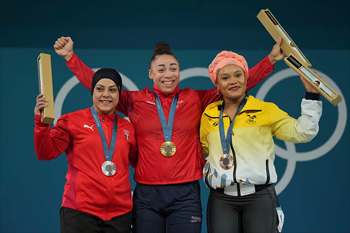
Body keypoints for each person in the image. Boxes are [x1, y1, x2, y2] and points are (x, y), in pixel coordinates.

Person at [53, 36, 285, 233]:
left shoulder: (196, 99)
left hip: (185, 193)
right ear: (151, 73)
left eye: (173, 68)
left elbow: (238, 84)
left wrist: (271, 60)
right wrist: (70, 58)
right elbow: (96, 84)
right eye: (161, 69)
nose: (168, 74)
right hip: (147, 194)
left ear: (179, 72)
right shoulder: (134, 101)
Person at [200, 51, 322, 233]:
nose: (233, 81)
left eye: (238, 75)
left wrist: (312, 97)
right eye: (225, 77)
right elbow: (203, 151)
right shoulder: (208, 114)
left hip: (259, 197)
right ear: (216, 84)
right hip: (221, 200)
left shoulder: (265, 110)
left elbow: (303, 133)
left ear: (246, 78)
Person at [34, 68, 138, 233]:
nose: (106, 94)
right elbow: (46, 153)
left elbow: (141, 164)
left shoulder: (128, 128)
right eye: (100, 89)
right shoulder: (72, 121)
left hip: (120, 214)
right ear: (92, 92)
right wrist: (41, 124)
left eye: (112, 90)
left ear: (119, 94)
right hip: (80, 212)